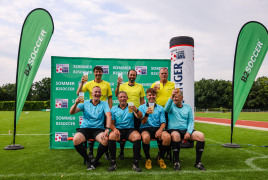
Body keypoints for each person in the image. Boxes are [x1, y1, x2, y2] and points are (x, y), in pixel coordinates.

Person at [70, 86, 111, 170]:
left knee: (105, 139)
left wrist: (107, 129)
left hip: (98, 129)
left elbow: (108, 115)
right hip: (85, 128)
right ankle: (89, 161)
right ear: (92, 93)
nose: (97, 93)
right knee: (76, 139)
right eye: (95, 92)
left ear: (101, 94)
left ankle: (96, 161)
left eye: (99, 92)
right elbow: (72, 112)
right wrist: (76, 104)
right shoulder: (84, 102)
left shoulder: (104, 103)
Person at [77, 66, 112, 160]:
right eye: (96, 72)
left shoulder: (107, 84)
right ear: (94, 73)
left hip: (103, 110)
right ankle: (91, 151)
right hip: (92, 109)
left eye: (100, 72)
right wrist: (82, 83)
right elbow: (78, 93)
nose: (98, 73)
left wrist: (109, 110)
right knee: (91, 130)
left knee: (104, 133)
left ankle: (106, 153)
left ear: (102, 73)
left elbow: (110, 98)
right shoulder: (88, 83)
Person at [165, 88, 206, 171]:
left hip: (185, 130)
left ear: (182, 97)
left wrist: (188, 132)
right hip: (173, 129)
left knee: (201, 136)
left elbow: (191, 121)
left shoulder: (188, 107)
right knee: (176, 135)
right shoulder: (171, 105)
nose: (175, 98)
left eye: (176, 97)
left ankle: (198, 162)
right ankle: (177, 162)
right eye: (174, 97)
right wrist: (171, 97)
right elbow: (166, 109)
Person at [108, 91, 143, 172]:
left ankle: (135, 163)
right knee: (111, 136)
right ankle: (113, 163)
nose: (122, 98)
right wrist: (115, 129)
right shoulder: (113, 109)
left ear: (127, 98)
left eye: (124, 97)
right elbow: (111, 124)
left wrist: (136, 110)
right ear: (118, 99)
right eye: (121, 97)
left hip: (130, 129)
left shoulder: (132, 107)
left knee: (137, 136)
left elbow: (140, 117)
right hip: (118, 130)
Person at [114, 69, 145, 160]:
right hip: (124, 111)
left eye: (134, 75)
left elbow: (142, 100)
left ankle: (138, 153)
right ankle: (121, 152)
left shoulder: (140, 86)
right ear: (128, 76)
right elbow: (116, 94)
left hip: (135, 112)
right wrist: (118, 84)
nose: (132, 76)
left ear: (136, 76)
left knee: (136, 133)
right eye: (130, 75)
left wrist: (141, 111)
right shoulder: (122, 85)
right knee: (123, 129)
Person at [139, 88, 171, 169]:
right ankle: (148, 159)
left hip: (157, 128)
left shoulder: (160, 108)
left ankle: (160, 158)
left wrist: (160, 130)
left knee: (167, 137)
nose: (151, 96)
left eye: (153, 95)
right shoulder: (141, 107)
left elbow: (163, 122)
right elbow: (143, 122)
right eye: (150, 95)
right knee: (145, 137)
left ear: (156, 96)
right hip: (145, 128)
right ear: (147, 96)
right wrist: (146, 113)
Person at [151, 67, 175, 160]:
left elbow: (176, 96)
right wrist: (154, 90)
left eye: (165, 73)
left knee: (169, 131)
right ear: (159, 74)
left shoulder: (173, 84)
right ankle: (160, 152)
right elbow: (151, 96)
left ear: (168, 74)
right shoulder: (155, 84)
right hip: (158, 111)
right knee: (159, 131)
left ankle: (169, 152)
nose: (164, 75)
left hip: (170, 111)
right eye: (162, 73)